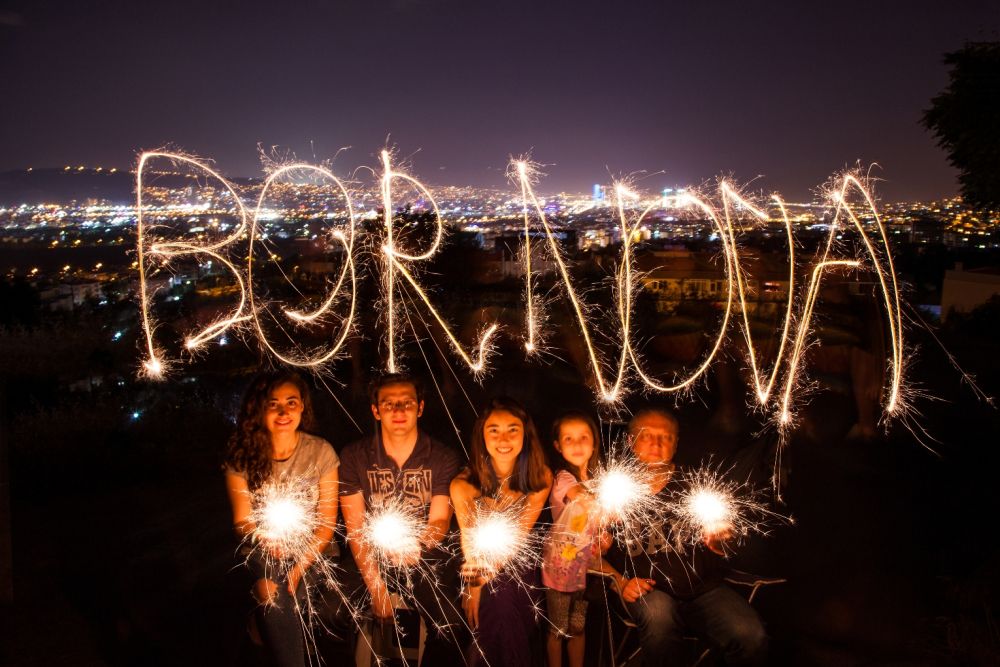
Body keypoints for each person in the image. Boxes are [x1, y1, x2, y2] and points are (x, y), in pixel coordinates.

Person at [604, 408, 768, 666]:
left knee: (750, 635)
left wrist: (722, 540)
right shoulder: (613, 492)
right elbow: (587, 553)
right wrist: (619, 581)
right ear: (630, 440)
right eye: (647, 436)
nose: (656, 444)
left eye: (666, 437)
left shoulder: (697, 487)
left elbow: (725, 542)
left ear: (676, 443)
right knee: (659, 618)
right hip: (649, 591)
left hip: (703, 591)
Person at [338, 372, 466, 664]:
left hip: (421, 556)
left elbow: (439, 521)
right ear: (376, 410)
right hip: (368, 555)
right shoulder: (355, 456)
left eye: (406, 403)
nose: (398, 410)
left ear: (420, 408)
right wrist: (376, 588)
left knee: (449, 624)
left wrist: (417, 544)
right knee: (327, 613)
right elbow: (356, 528)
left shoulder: (442, 457)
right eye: (389, 403)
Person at [224, 370, 340, 667]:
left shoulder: (320, 452)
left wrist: (299, 567)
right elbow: (242, 522)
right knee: (271, 591)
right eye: (273, 404)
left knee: (284, 598)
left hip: (313, 551)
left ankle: (259, 629)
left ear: (303, 406)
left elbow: (326, 524)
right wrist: (263, 538)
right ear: (259, 409)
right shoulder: (242, 457)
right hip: (261, 551)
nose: (283, 412)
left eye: (291, 402)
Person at [451, 396, 553, 667]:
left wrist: (480, 582)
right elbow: (468, 539)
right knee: (498, 600)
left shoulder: (540, 477)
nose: (503, 439)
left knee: (504, 593)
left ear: (525, 435)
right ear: (482, 436)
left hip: (520, 566)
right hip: (478, 568)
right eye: (493, 430)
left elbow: (518, 536)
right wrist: (474, 583)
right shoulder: (463, 485)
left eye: (512, 430)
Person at [542, 411, 604, 667]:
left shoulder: (598, 480)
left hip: (585, 568)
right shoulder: (563, 478)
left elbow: (599, 524)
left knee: (578, 626)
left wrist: (605, 536)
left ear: (594, 442)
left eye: (583, 437)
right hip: (561, 568)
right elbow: (583, 498)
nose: (577, 444)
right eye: (569, 438)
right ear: (558, 446)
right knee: (558, 628)